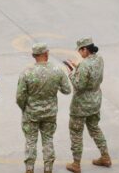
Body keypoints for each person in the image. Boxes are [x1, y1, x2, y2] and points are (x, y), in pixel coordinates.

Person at [17, 42, 72, 173]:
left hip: (31, 114)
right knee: (48, 140)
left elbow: (20, 96)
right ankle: (48, 168)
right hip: (50, 113)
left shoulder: (26, 73)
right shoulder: (57, 71)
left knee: (30, 141)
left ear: (33, 55)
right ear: (47, 53)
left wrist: (25, 108)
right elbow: (67, 90)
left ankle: (29, 169)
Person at [65, 38, 112, 171]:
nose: (79, 53)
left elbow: (78, 85)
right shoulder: (99, 59)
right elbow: (91, 74)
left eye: (80, 50)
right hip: (95, 100)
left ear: (85, 49)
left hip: (81, 105)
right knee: (95, 128)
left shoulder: (85, 64)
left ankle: (76, 164)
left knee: (76, 133)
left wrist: (71, 73)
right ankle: (105, 156)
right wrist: (78, 67)